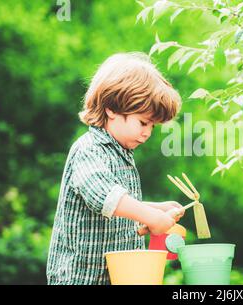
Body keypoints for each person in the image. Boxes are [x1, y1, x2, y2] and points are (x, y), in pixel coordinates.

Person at [47, 52, 183, 285]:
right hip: (80, 279)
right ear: (111, 109)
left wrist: (156, 210)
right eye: (142, 122)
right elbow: (105, 198)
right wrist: (150, 216)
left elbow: (122, 207)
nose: (147, 132)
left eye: (152, 126)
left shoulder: (122, 155)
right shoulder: (89, 149)